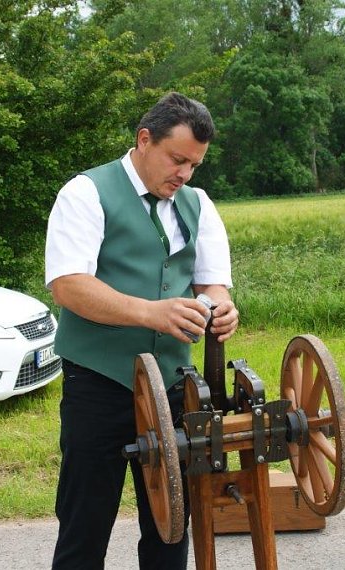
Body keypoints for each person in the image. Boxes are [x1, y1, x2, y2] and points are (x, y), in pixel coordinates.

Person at [44, 92, 239, 570]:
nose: (185, 174)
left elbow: (212, 283)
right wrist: (151, 313)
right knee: (85, 525)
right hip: (99, 384)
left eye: (194, 165)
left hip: (171, 386)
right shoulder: (86, 193)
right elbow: (68, 285)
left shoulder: (197, 203)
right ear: (144, 139)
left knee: (171, 526)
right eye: (177, 160)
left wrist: (221, 308)